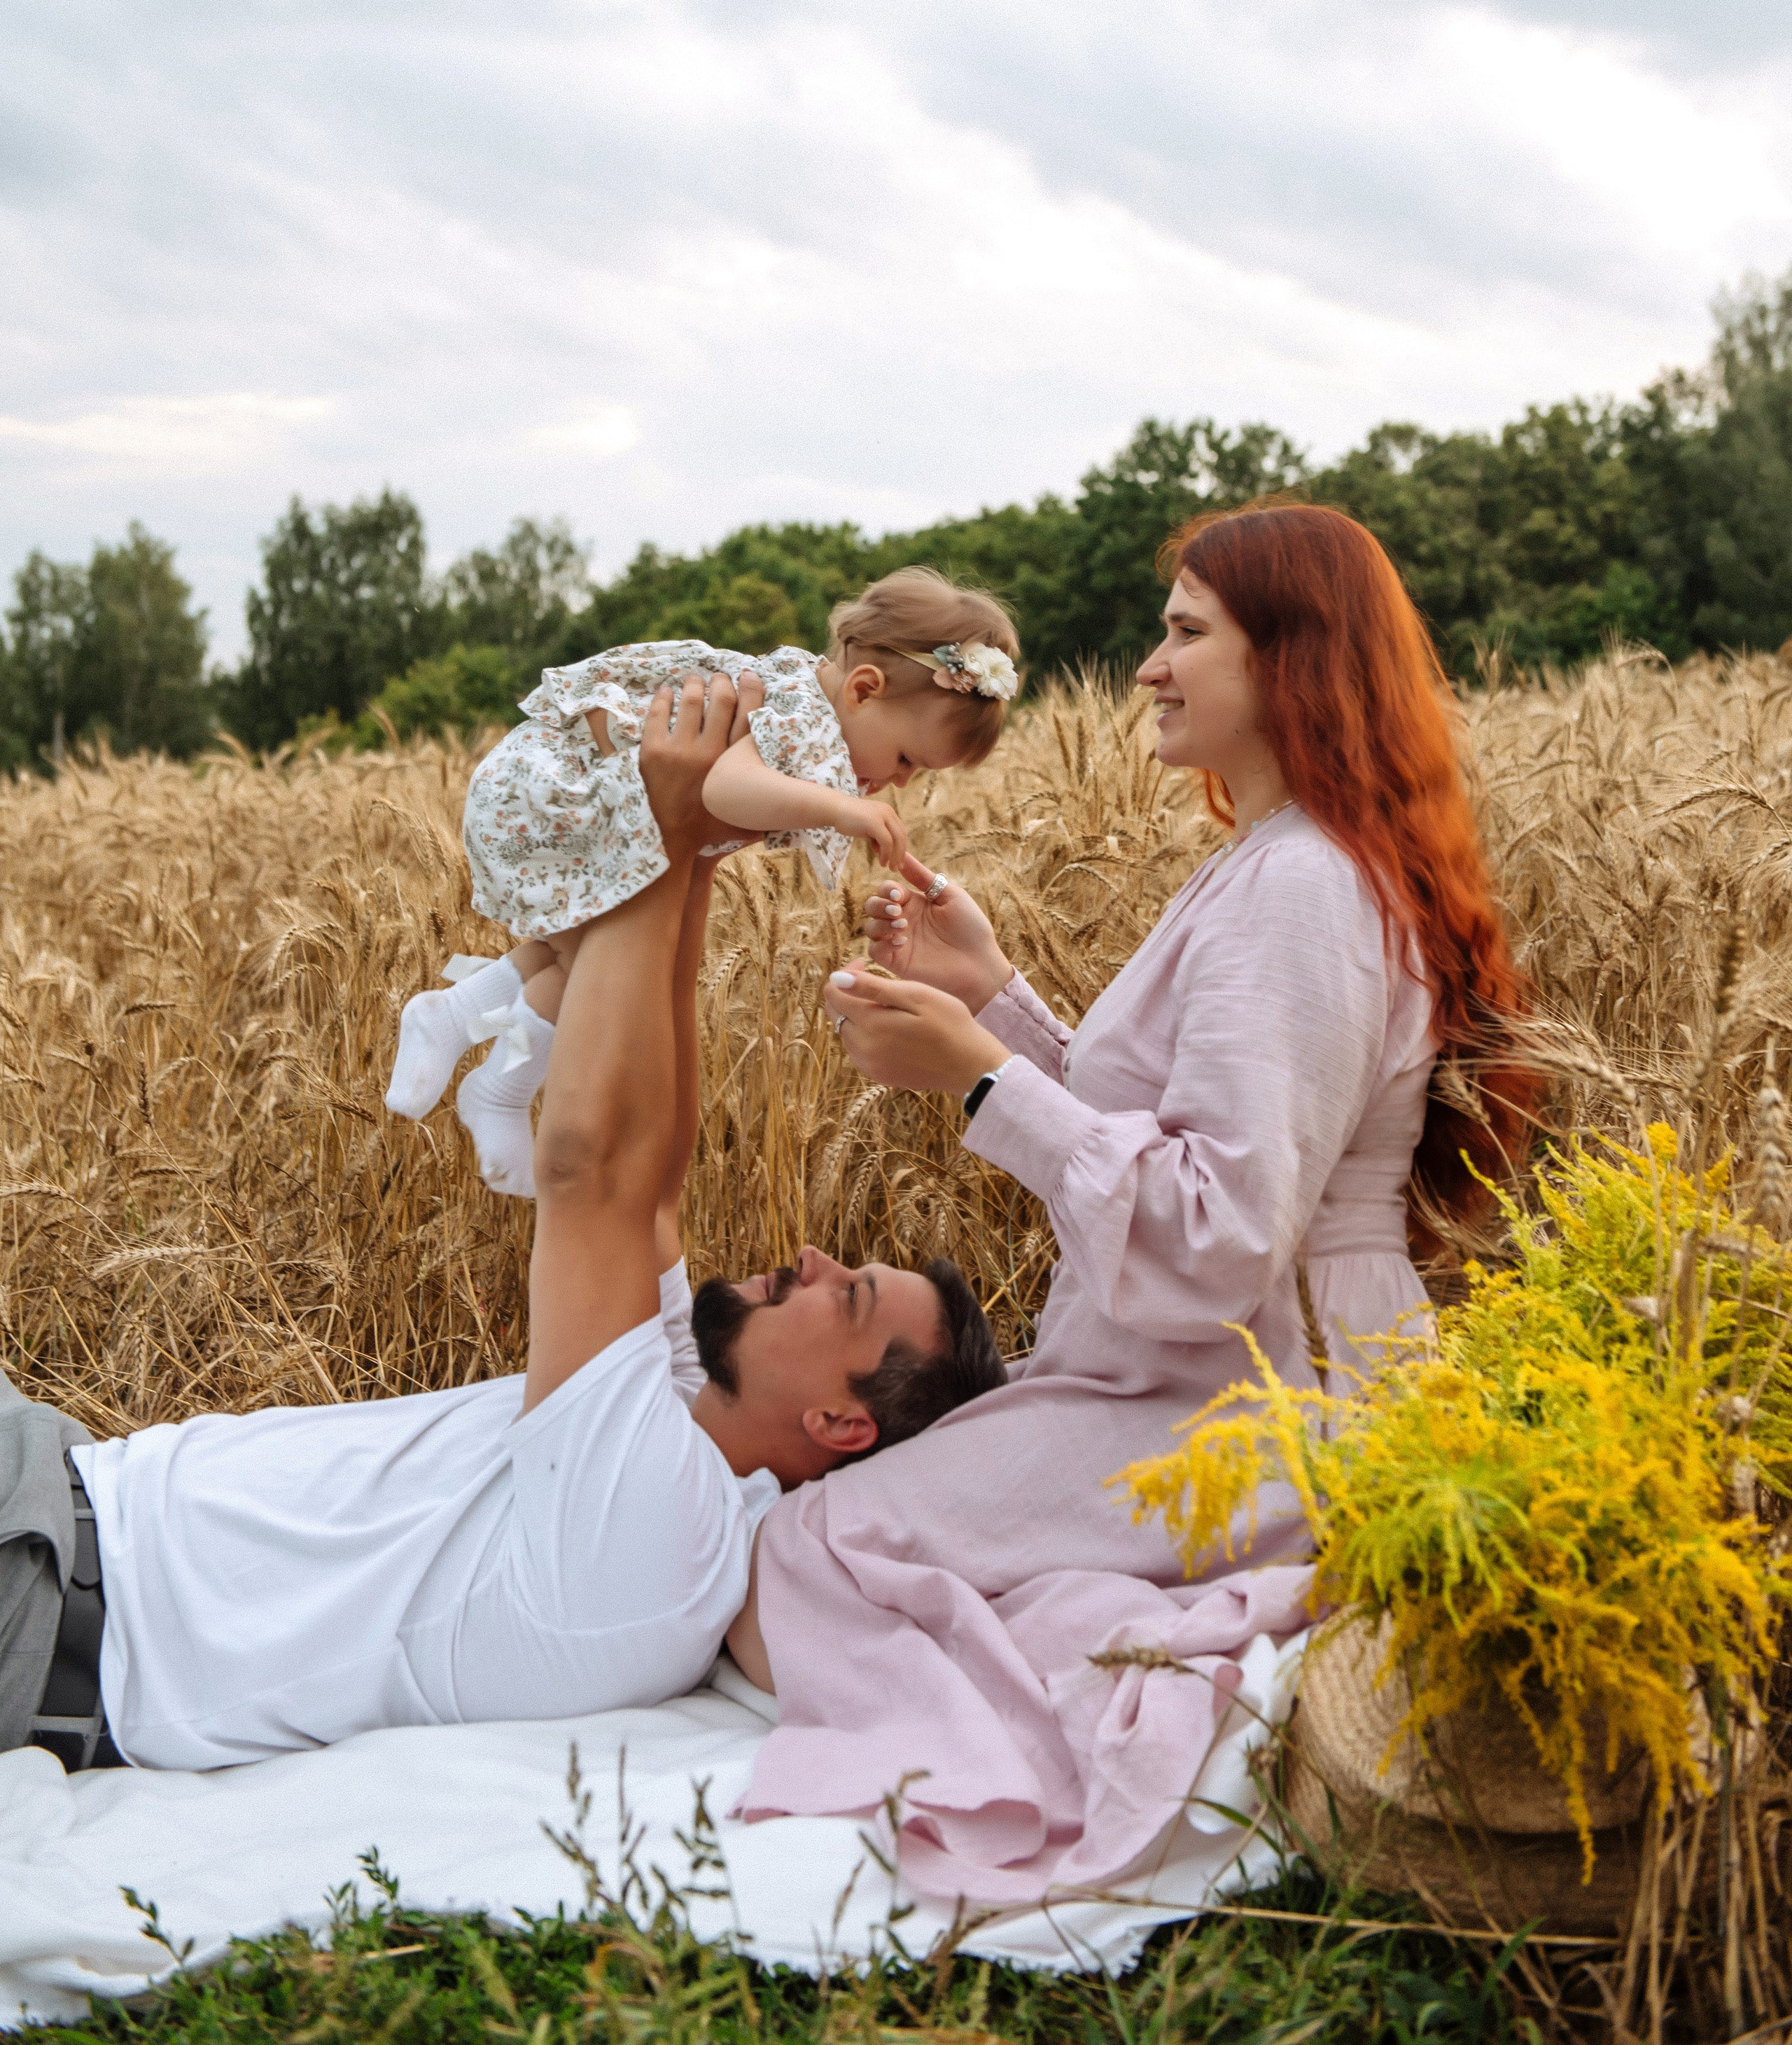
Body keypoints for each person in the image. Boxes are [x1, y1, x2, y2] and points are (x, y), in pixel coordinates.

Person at [727, 501, 1535, 1903]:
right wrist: (999, 1001)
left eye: (1181, 635)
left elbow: (1221, 1231)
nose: (1147, 668)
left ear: (1290, 661)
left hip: (1249, 1398)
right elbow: (1174, 1134)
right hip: (1205, 1370)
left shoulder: (1299, 890)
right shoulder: (1278, 864)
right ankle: (1125, 1629)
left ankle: (1040, 1737)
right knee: (887, 1540)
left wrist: (978, 1079)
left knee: (812, 1546)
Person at [4, 672, 1007, 1775]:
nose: (812, 1257)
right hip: (65, 1493)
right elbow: (657, 1176)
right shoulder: (678, 1418)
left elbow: (593, 1169)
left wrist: (658, 833)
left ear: (841, 1423)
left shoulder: (664, 1539)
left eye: (847, 1293)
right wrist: (691, 853)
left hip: (44, 1594)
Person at [385, 569, 1021, 1189]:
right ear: (862, 688)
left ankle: (457, 1024)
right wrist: (844, 809)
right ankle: (494, 1079)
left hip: (602, 804)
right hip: (563, 794)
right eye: (908, 758)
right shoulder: (803, 711)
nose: (904, 780)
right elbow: (725, 786)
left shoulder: (814, 711)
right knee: (594, 971)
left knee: (586, 959)